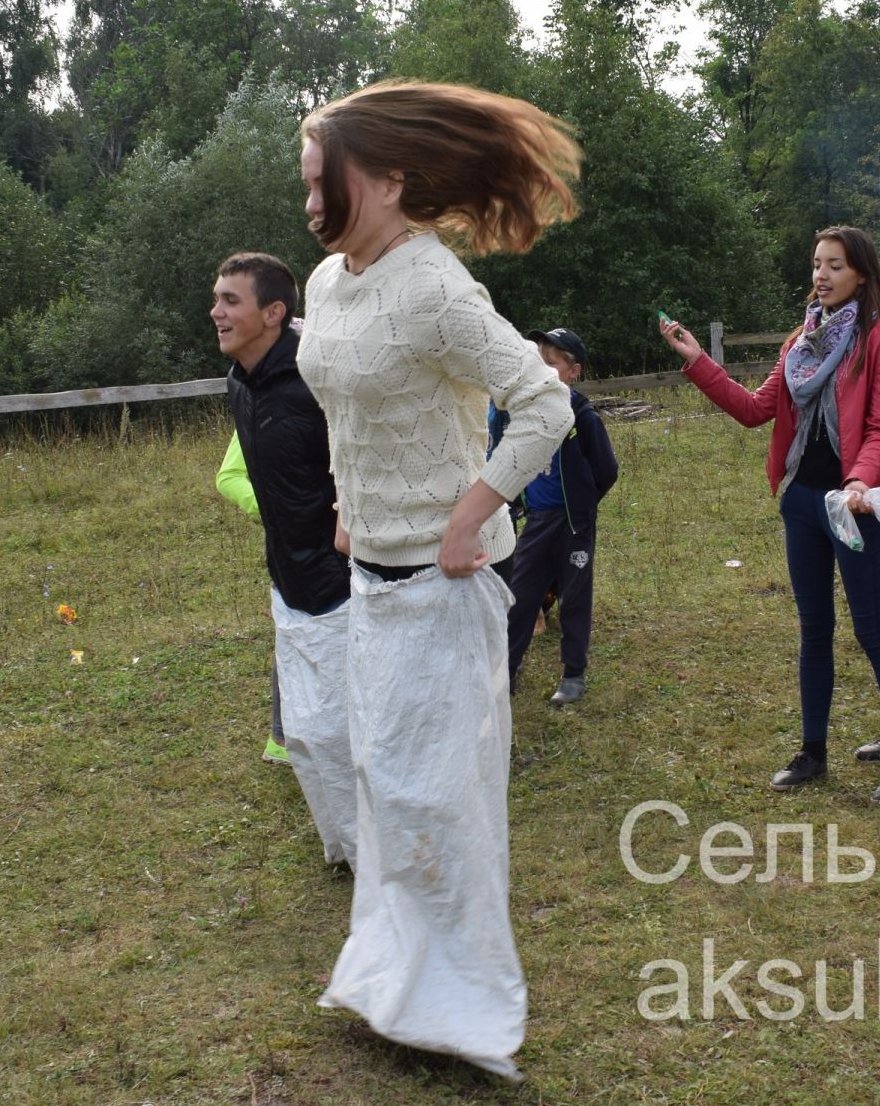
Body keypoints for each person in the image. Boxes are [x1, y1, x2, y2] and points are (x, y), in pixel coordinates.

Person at [294, 79, 580, 1080]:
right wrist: (346, 495)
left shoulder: (436, 286)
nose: (307, 199)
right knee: (381, 784)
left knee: (437, 799)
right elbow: (342, 401)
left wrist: (472, 513)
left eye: (316, 179)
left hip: (443, 583)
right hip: (368, 575)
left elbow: (545, 406)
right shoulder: (329, 283)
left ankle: (464, 1014)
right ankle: (395, 987)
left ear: (379, 180)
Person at [660, 227, 880, 803]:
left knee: (872, 629)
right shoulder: (799, 344)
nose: (821, 276)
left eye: (834, 265)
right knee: (814, 630)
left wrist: (860, 478)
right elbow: (756, 410)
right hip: (802, 502)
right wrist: (699, 361)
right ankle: (813, 752)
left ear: (861, 273)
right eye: (816, 265)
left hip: (851, 505)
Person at [217, 255, 358, 862]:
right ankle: (346, 847)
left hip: (344, 584)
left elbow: (368, 453)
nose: (217, 311)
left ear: (273, 313)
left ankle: (382, 852)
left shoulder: (316, 382)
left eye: (231, 301)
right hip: (288, 581)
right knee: (300, 734)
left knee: (345, 732)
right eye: (217, 298)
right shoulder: (238, 384)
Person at [503, 327, 619, 708]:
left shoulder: (583, 417)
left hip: (573, 523)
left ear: (574, 372)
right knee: (519, 597)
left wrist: (582, 506)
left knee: (574, 596)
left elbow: (607, 470)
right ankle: (507, 668)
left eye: (550, 364)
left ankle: (572, 673)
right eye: (538, 361)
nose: (541, 369)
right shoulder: (527, 411)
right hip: (537, 520)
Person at [213, 430, 292, 765]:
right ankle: (281, 737)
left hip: (358, 536)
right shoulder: (263, 397)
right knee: (294, 636)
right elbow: (229, 477)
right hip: (296, 544)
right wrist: (278, 510)